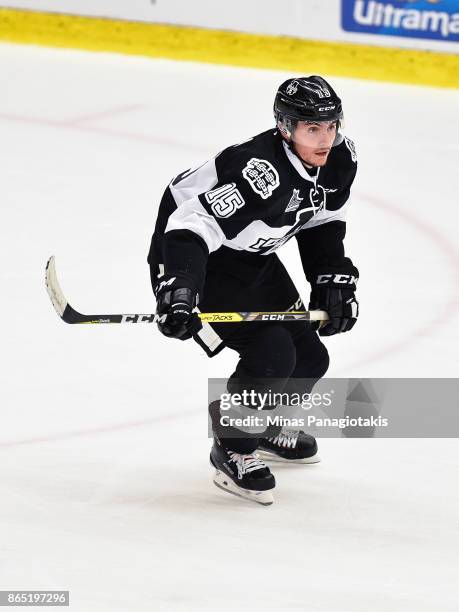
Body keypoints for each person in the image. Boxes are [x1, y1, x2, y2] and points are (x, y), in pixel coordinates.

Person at [148, 76, 359, 505]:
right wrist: (181, 286)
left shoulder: (340, 159)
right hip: (195, 258)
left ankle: (260, 428)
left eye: (331, 125)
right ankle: (232, 445)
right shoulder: (260, 174)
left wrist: (331, 276)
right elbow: (191, 225)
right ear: (285, 127)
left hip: (251, 255)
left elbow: (320, 220)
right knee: (272, 354)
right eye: (312, 129)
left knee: (311, 357)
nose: (325, 138)